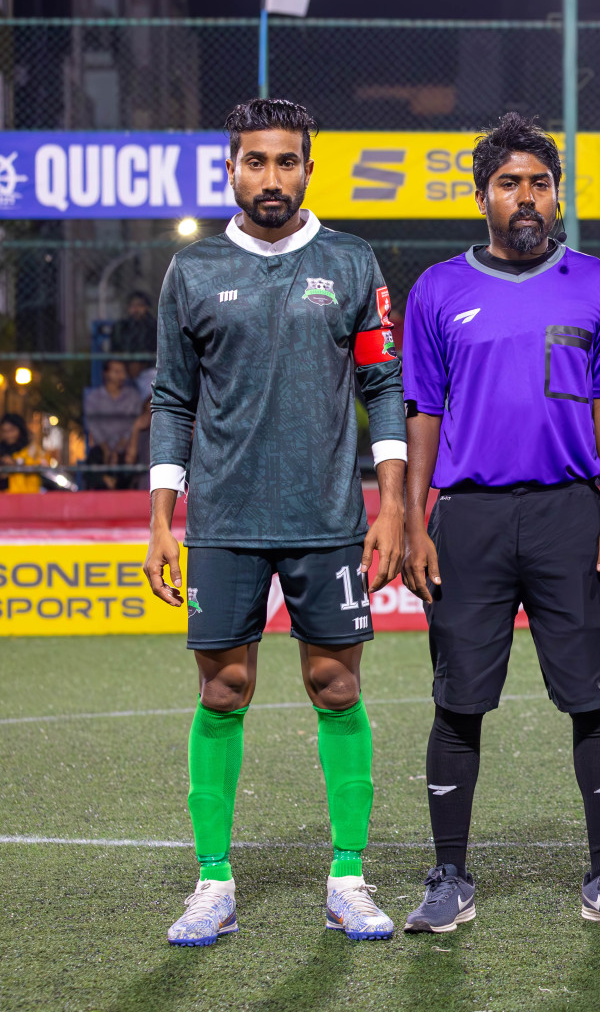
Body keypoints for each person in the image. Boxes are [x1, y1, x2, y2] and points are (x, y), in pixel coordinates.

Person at [145, 97, 406, 947]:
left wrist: (393, 502)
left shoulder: (353, 263)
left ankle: (349, 877)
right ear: (231, 168)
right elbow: (173, 399)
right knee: (224, 690)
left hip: (327, 518)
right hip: (222, 521)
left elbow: (383, 387)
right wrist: (162, 521)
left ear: (308, 166)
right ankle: (213, 881)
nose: (271, 177)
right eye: (254, 161)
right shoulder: (191, 272)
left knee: (338, 687)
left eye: (286, 160)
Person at [398, 112, 600, 933]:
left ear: (556, 193)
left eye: (540, 182)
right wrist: (412, 518)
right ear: (482, 198)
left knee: (593, 699)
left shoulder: (598, 284)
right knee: (458, 702)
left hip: (571, 513)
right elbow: (423, 412)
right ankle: (448, 876)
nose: (528, 196)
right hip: (466, 517)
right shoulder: (438, 289)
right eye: (510, 183)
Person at [83, 358, 142, 487]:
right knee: (93, 462)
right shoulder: (93, 398)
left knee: (130, 461)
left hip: (125, 448)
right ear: (106, 373)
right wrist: (107, 449)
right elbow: (93, 426)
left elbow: (132, 426)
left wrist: (118, 449)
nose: (121, 375)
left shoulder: (133, 397)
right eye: (116, 371)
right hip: (102, 449)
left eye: (122, 371)